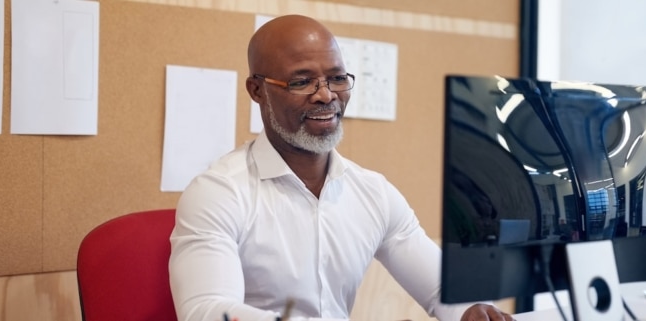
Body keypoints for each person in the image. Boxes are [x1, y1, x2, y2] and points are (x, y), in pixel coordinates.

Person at [168, 14, 514, 321]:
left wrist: (470, 311)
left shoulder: (372, 192)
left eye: (336, 78)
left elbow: (441, 290)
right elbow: (207, 310)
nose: (325, 95)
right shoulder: (218, 192)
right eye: (301, 81)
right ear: (257, 90)